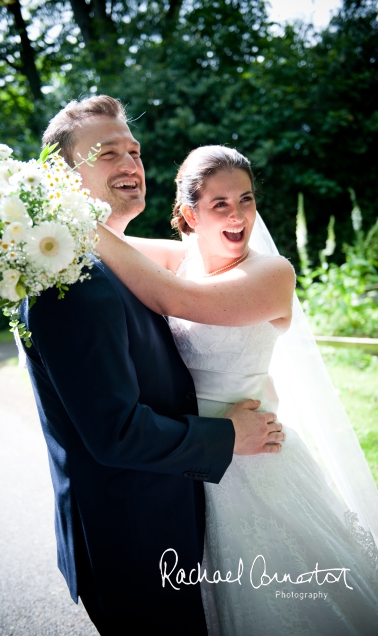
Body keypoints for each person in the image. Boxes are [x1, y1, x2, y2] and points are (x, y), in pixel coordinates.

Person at [19, 96, 285, 635]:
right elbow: (115, 433)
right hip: (135, 537)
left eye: (135, 152)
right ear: (61, 177)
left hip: (180, 512)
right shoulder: (72, 283)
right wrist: (227, 436)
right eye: (108, 152)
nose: (131, 165)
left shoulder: (122, 264)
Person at [95, 144, 378, 634]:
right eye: (220, 204)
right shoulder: (180, 259)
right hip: (190, 458)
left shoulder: (272, 273)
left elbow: (173, 298)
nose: (238, 215)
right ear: (189, 214)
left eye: (245, 200)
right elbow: (110, 243)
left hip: (255, 462)